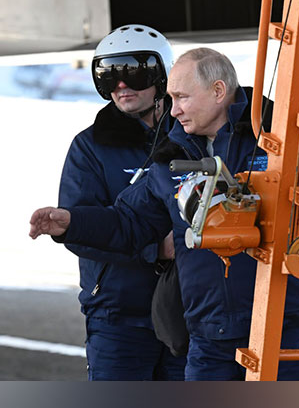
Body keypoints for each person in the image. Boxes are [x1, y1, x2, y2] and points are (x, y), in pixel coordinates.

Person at [30, 47, 299, 381]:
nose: (172, 111)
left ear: (219, 91)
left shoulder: (277, 134)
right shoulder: (169, 158)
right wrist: (72, 222)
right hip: (210, 338)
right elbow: (130, 223)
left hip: (288, 326)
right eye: (170, 98)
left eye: (182, 98)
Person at [56, 24, 186, 380]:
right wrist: (155, 249)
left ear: (162, 77)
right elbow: (82, 228)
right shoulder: (90, 147)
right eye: (109, 76)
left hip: (190, 312)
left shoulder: (193, 136)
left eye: (134, 73)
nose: (121, 86)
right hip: (119, 317)